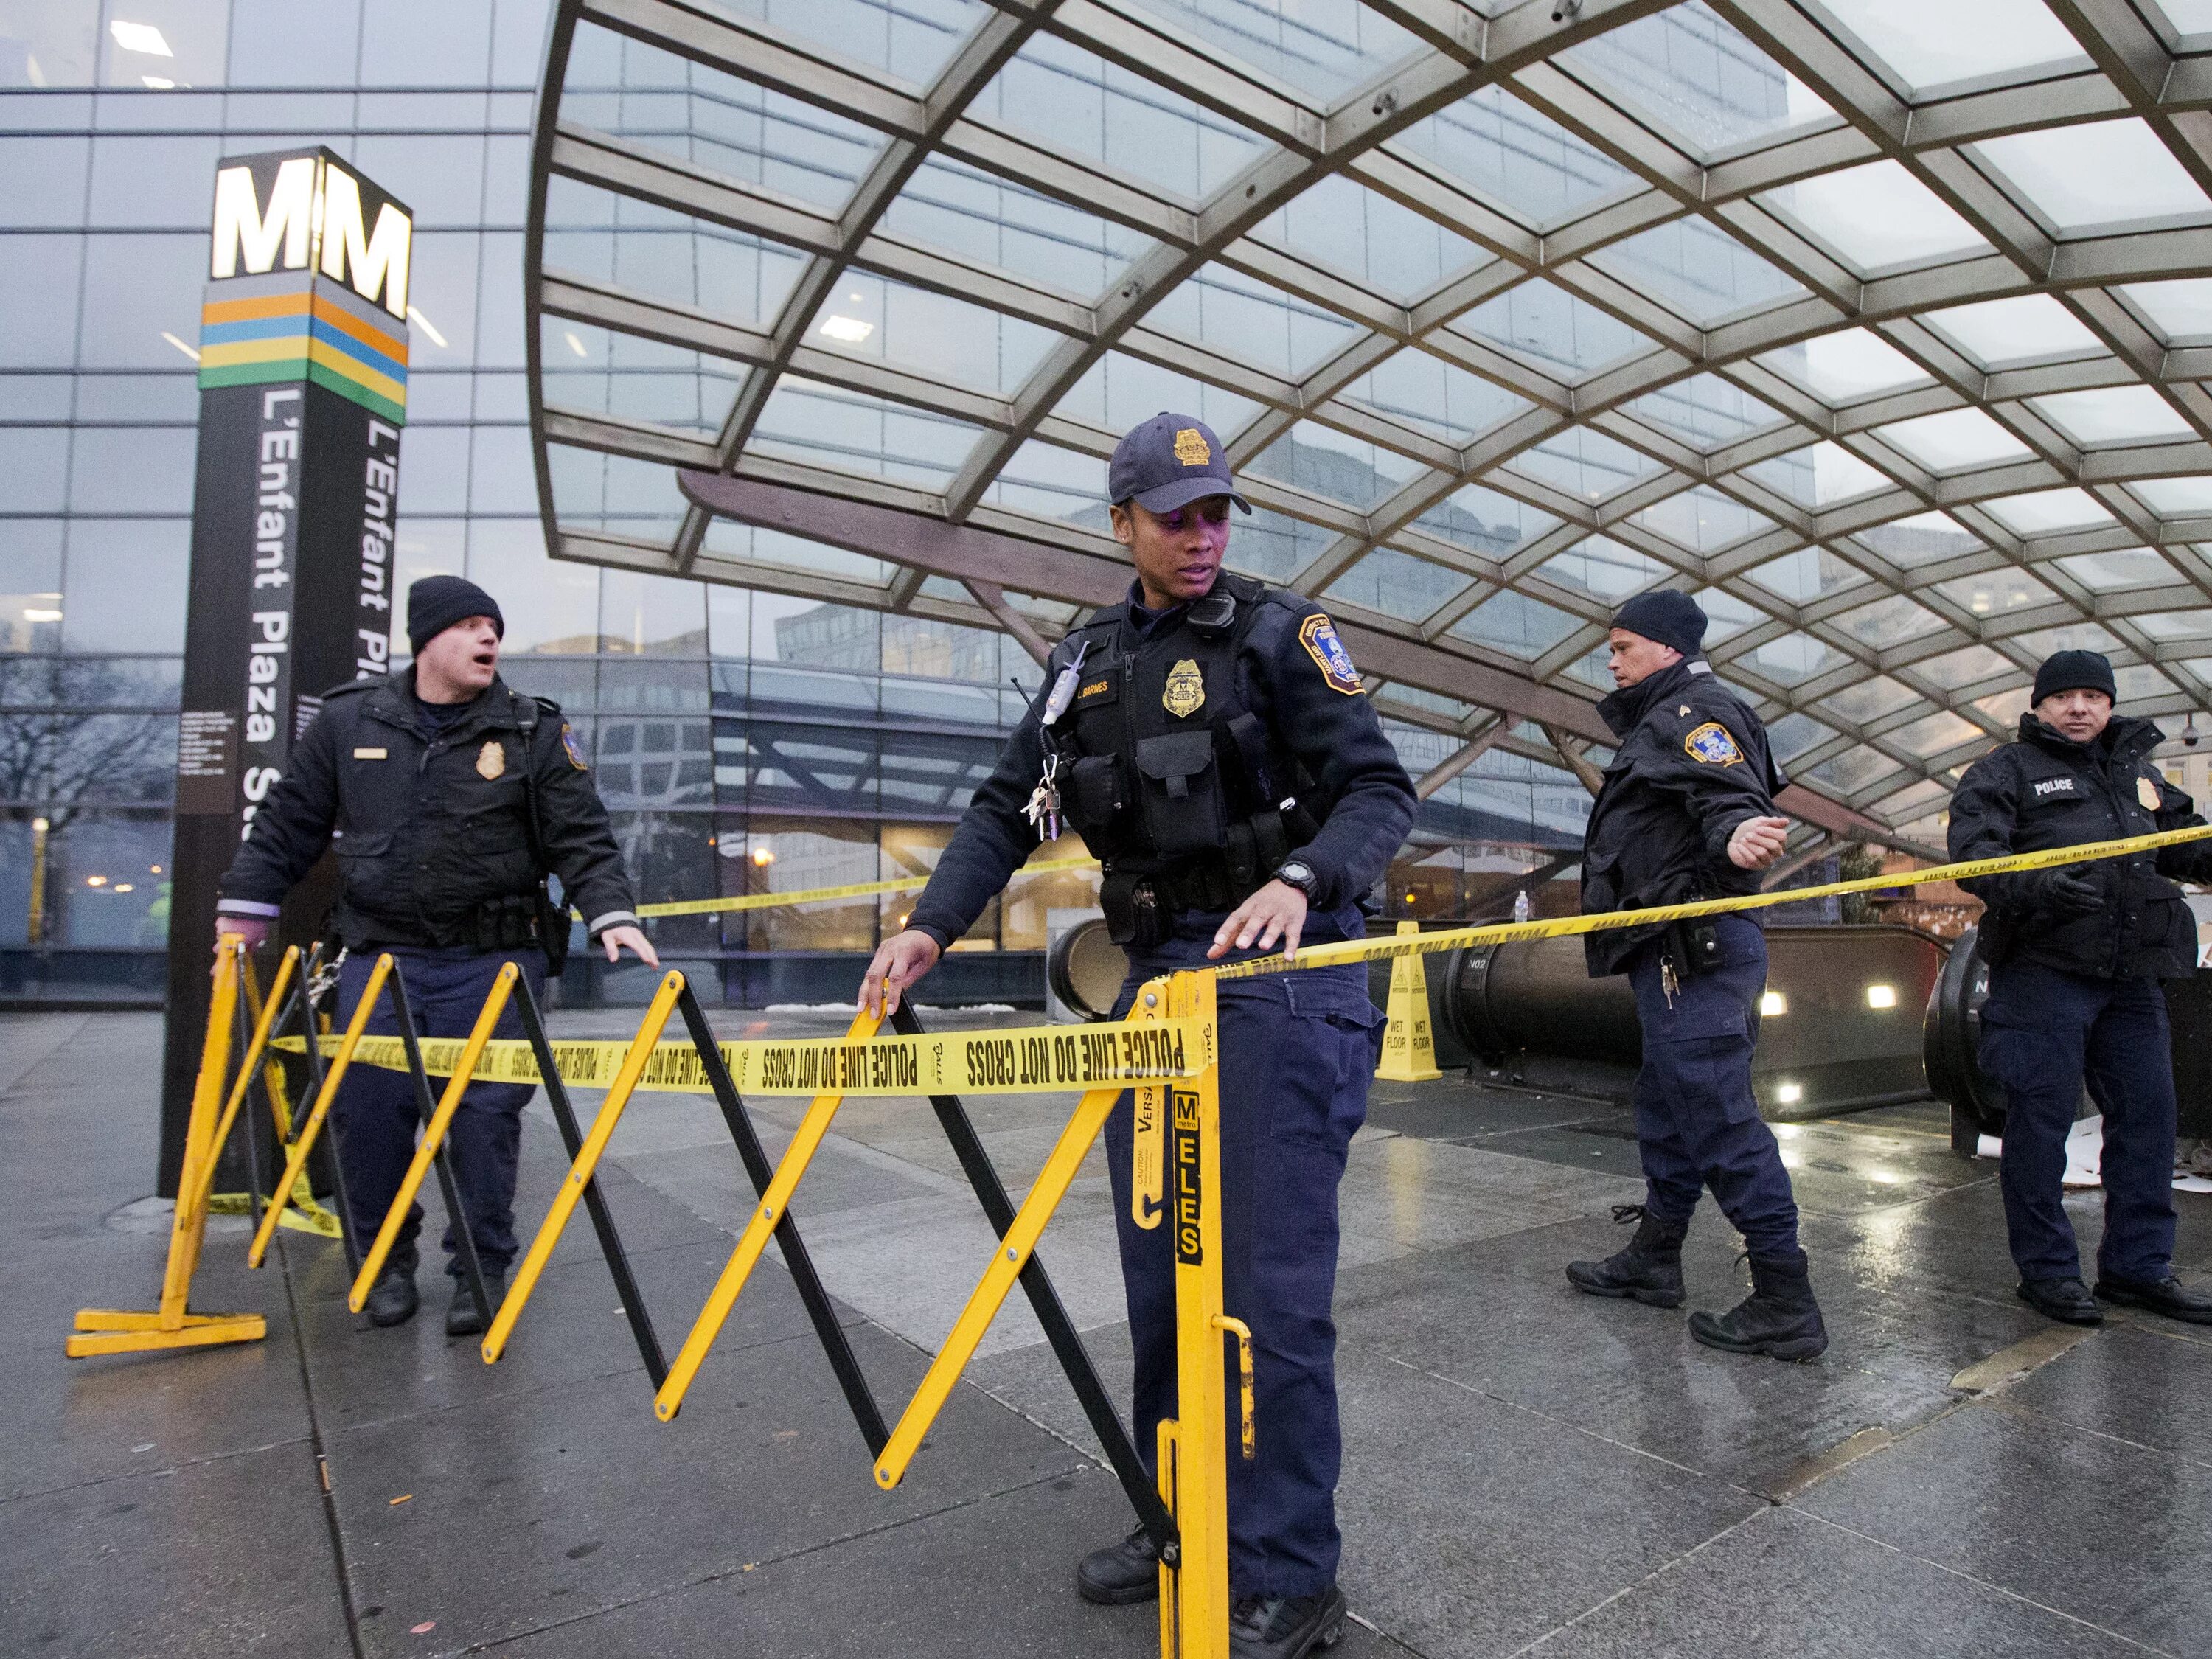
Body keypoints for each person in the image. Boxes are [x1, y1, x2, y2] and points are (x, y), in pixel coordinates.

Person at [860, 413, 1415, 1659]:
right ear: (1122, 525)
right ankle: (1179, 1519)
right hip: (1157, 992)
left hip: (1281, 978)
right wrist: (930, 929)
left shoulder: (1281, 634)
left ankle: (1290, 1573)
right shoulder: (1085, 662)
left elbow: (1383, 787)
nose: (1203, 533)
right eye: (1177, 515)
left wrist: (1310, 881)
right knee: (1164, 1280)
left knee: (1266, 1295)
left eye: (1217, 511)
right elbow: (1008, 808)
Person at [214, 575, 658, 1336]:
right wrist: (246, 908)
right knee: (369, 1114)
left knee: (485, 1119)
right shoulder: (350, 721)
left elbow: (581, 836)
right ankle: (382, 1262)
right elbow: (289, 823)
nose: (489, 638)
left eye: (495, 625)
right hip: (381, 957)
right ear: (429, 640)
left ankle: (479, 1269)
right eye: (471, 626)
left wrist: (610, 911)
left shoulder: (530, 730)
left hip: (495, 961)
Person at [1563, 590, 1827, 1361]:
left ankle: (1785, 1296)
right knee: (1671, 1105)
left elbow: (1728, 793)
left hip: (1696, 948)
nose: (1612, 661)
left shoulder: (1692, 713)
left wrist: (1740, 831)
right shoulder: (1665, 713)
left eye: (1623, 648)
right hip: (1677, 948)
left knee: (1717, 1116)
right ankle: (1655, 1256)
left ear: (1668, 649)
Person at [1947, 649, 2212, 1327]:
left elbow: (2184, 846)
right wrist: (2034, 884)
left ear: (2110, 706)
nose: (2080, 708)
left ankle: (2137, 1268)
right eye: (2065, 697)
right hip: (2043, 973)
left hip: (2130, 978)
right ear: (2039, 706)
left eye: (2095, 696)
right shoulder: (2003, 772)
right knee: (2040, 1124)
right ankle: (2048, 1273)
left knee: (2149, 1119)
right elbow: (1975, 860)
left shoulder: (2140, 775)